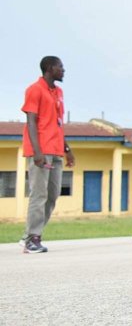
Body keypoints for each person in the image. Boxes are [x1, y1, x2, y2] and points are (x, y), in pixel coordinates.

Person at [20, 56, 72, 254]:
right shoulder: (34, 89)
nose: (63, 70)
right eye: (61, 67)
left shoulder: (58, 92)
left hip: (56, 149)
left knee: (52, 195)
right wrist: (37, 152)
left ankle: (30, 235)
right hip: (41, 150)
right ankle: (32, 238)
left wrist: (67, 149)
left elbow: (58, 123)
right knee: (39, 194)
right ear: (50, 68)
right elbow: (31, 121)